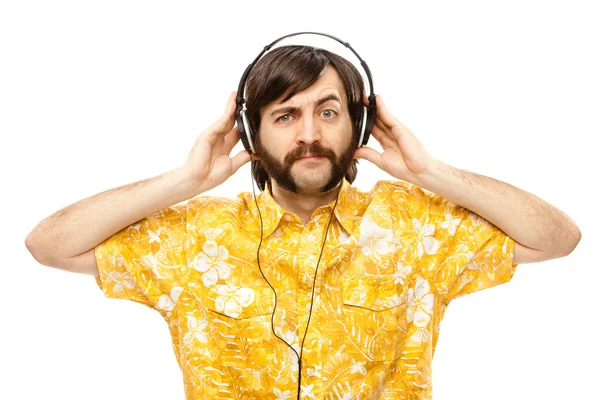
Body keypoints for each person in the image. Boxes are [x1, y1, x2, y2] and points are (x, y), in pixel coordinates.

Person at [25, 44, 581, 400]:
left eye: (329, 111)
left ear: (359, 126)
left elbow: (558, 238)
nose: (309, 133)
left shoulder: (414, 227)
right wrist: (182, 183)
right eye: (285, 115)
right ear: (252, 135)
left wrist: (431, 173)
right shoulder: (194, 239)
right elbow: (49, 246)